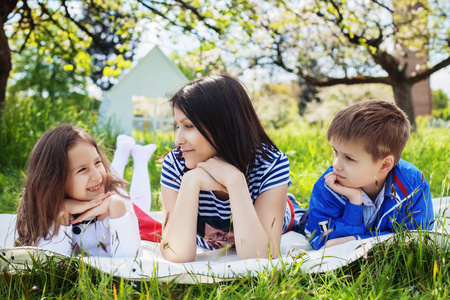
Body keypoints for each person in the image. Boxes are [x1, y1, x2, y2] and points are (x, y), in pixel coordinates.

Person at [160, 74, 293, 262]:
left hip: (283, 212)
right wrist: (191, 182)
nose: (177, 140)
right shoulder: (176, 163)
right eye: (178, 126)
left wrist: (234, 182)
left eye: (188, 126)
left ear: (223, 125)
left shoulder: (269, 163)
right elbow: (175, 254)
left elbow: (262, 258)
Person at [304, 99, 434, 250]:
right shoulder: (326, 187)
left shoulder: (412, 184)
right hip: (306, 219)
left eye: (349, 158)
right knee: (296, 219)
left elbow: (418, 237)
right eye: (335, 152)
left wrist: (357, 240)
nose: (336, 165)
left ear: (385, 165)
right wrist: (354, 203)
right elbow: (324, 243)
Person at [15, 124, 142, 258]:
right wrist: (62, 213)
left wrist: (117, 207)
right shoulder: (48, 209)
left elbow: (132, 262)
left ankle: (133, 157)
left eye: (97, 163)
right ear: (55, 180)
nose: (97, 176)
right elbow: (51, 264)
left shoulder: (116, 197)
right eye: (82, 170)